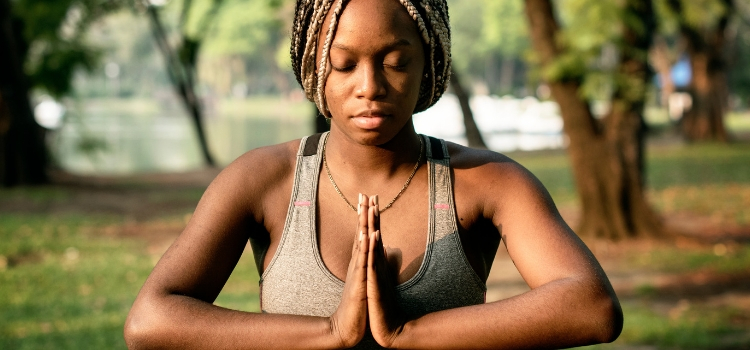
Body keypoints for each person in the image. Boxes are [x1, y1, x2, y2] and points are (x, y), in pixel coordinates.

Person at [124, 0, 623, 348]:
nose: (370, 86)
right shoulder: (264, 180)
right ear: (314, 67)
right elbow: (150, 319)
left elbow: (592, 307)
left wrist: (409, 334)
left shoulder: (486, 182)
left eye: (395, 61)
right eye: (344, 65)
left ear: (430, 62)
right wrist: (331, 332)